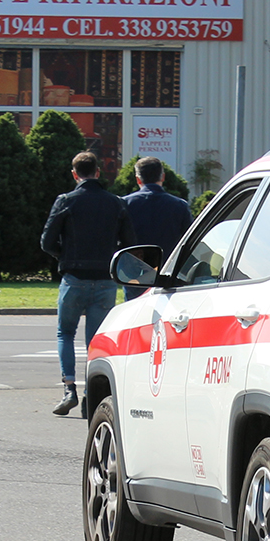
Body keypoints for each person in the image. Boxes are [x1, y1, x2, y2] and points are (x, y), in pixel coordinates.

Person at [41, 151, 136, 416]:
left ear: (75, 174)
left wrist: (66, 254)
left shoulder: (66, 201)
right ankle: (89, 396)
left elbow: (47, 242)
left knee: (65, 333)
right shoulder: (116, 203)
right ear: (97, 172)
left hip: (74, 277)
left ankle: (69, 387)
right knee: (95, 341)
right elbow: (129, 242)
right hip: (105, 280)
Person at [122, 156, 194, 300]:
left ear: (138, 179)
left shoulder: (125, 204)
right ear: (163, 176)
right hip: (168, 271)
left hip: (134, 272)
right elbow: (189, 241)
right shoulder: (179, 205)